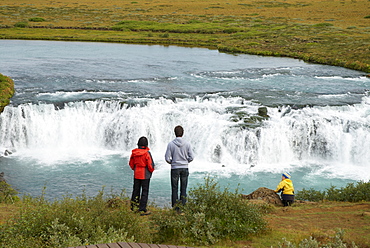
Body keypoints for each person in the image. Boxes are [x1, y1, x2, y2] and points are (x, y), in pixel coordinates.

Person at [165, 125, 194, 211]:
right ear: (183, 133)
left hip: (174, 168)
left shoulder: (170, 144)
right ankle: (183, 206)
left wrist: (172, 163)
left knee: (174, 188)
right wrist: (186, 161)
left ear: (174, 133)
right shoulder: (187, 144)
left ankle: (175, 207)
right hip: (184, 167)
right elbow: (192, 157)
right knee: (183, 188)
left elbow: (167, 158)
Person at [129, 136, 155, 215]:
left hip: (137, 173)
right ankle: (142, 209)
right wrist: (151, 171)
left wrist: (135, 169)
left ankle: (133, 207)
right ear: (146, 144)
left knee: (136, 190)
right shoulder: (147, 153)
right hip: (145, 174)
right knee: (144, 191)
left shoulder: (134, 153)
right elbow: (150, 165)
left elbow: (131, 163)